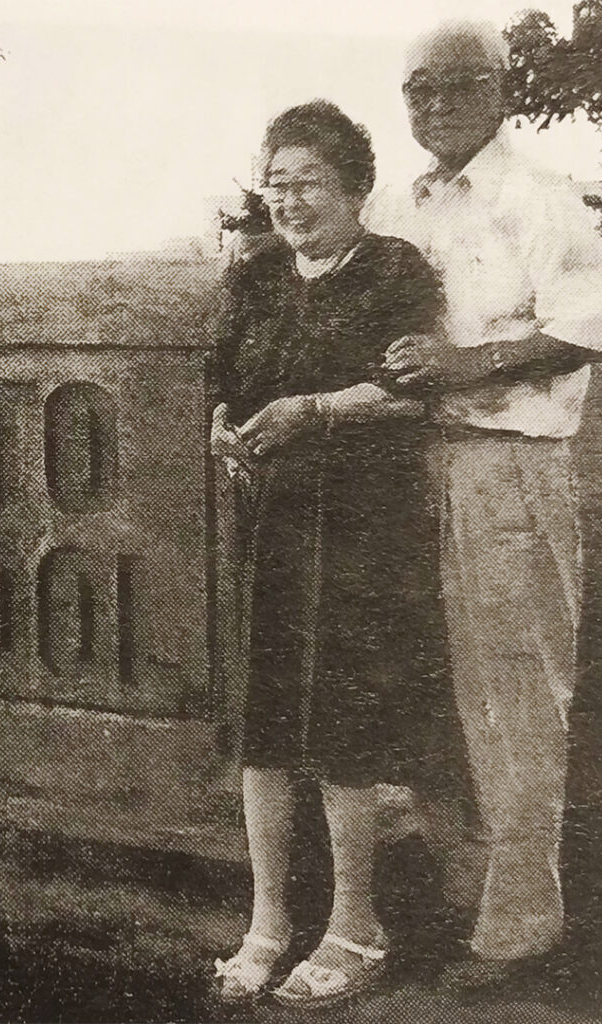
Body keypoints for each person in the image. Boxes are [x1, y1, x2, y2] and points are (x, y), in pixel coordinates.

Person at [366, 19, 602, 990]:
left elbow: (587, 326)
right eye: (416, 90)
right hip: (409, 469)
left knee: (512, 696)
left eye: (454, 85)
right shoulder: (397, 200)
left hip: (507, 467)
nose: (433, 105)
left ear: (499, 90)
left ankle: (520, 928)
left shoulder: (541, 198)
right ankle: (461, 896)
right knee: (424, 689)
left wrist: (467, 363)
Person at [210, 100, 458, 1008]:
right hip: (273, 522)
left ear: (358, 185)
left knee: (348, 721)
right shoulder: (255, 275)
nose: (290, 200)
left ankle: (358, 925)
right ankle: (268, 921)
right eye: (276, 184)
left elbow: (414, 392)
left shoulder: (394, 269)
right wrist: (225, 432)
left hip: (363, 527)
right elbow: (225, 384)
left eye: (309, 182)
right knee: (266, 722)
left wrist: (317, 410)